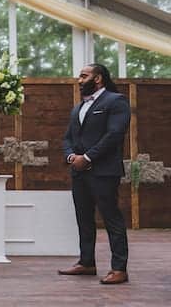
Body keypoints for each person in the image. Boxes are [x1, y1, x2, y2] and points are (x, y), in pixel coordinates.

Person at [58, 64, 131, 285]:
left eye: (84, 76)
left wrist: (87, 157)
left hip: (104, 172)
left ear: (98, 78)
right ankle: (87, 262)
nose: (79, 80)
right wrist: (71, 157)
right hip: (79, 173)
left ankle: (119, 269)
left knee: (112, 219)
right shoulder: (78, 107)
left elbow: (114, 135)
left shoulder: (116, 101)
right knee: (84, 218)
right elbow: (68, 138)